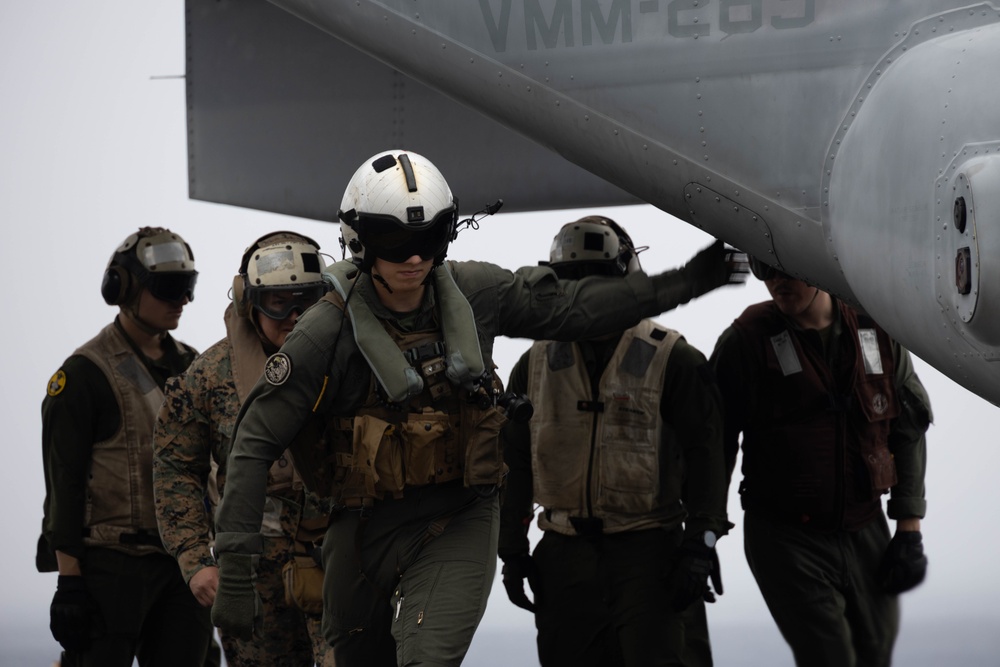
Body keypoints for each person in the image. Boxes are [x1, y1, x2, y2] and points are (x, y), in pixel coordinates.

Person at [210, 149, 747, 667]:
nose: (414, 258)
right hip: (364, 520)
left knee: (428, 656)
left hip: (459, 512)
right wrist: (235, 565)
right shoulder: (326, 331)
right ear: (360, 239)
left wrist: (684, 281)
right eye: (395, 241)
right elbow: (255, 441)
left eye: (428, 238)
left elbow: (576, 309)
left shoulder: (477, 293)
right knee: (357, 654)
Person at [498, 216, 729, 667]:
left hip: (649, 555)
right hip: (563, 557)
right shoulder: (536, 362)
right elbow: (516, 460)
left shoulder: (673, 359)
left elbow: (707, 454)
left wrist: (701, 540)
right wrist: (512, 549)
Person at [709, 257, 932, 667]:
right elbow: (714, 444)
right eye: (763, 270)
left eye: (784, 267)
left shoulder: (876, 330)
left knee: (875, 653)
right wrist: (703, 534)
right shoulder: (747, 341)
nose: (774, 281)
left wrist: (908, 529)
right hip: (785, 537)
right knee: (829, 657)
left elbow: (909, 427)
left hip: (864, 528)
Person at [153, 231, 336, 666]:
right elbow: (174, 466)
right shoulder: (210, 376)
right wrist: (195, 560)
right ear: (248, 301)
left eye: (306, 300)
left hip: (341, 563)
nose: (293, 316)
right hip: (251, 579)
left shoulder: (351, 363)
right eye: (278, 302)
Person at [38, 227, 214, 666]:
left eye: (188, 287)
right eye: (169, 288)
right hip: (110, 568)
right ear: (125, 288)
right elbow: (64, 485)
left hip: (182, 567)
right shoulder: (84, 375)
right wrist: (70, 582)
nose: (183, 301)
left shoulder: (194, 368)